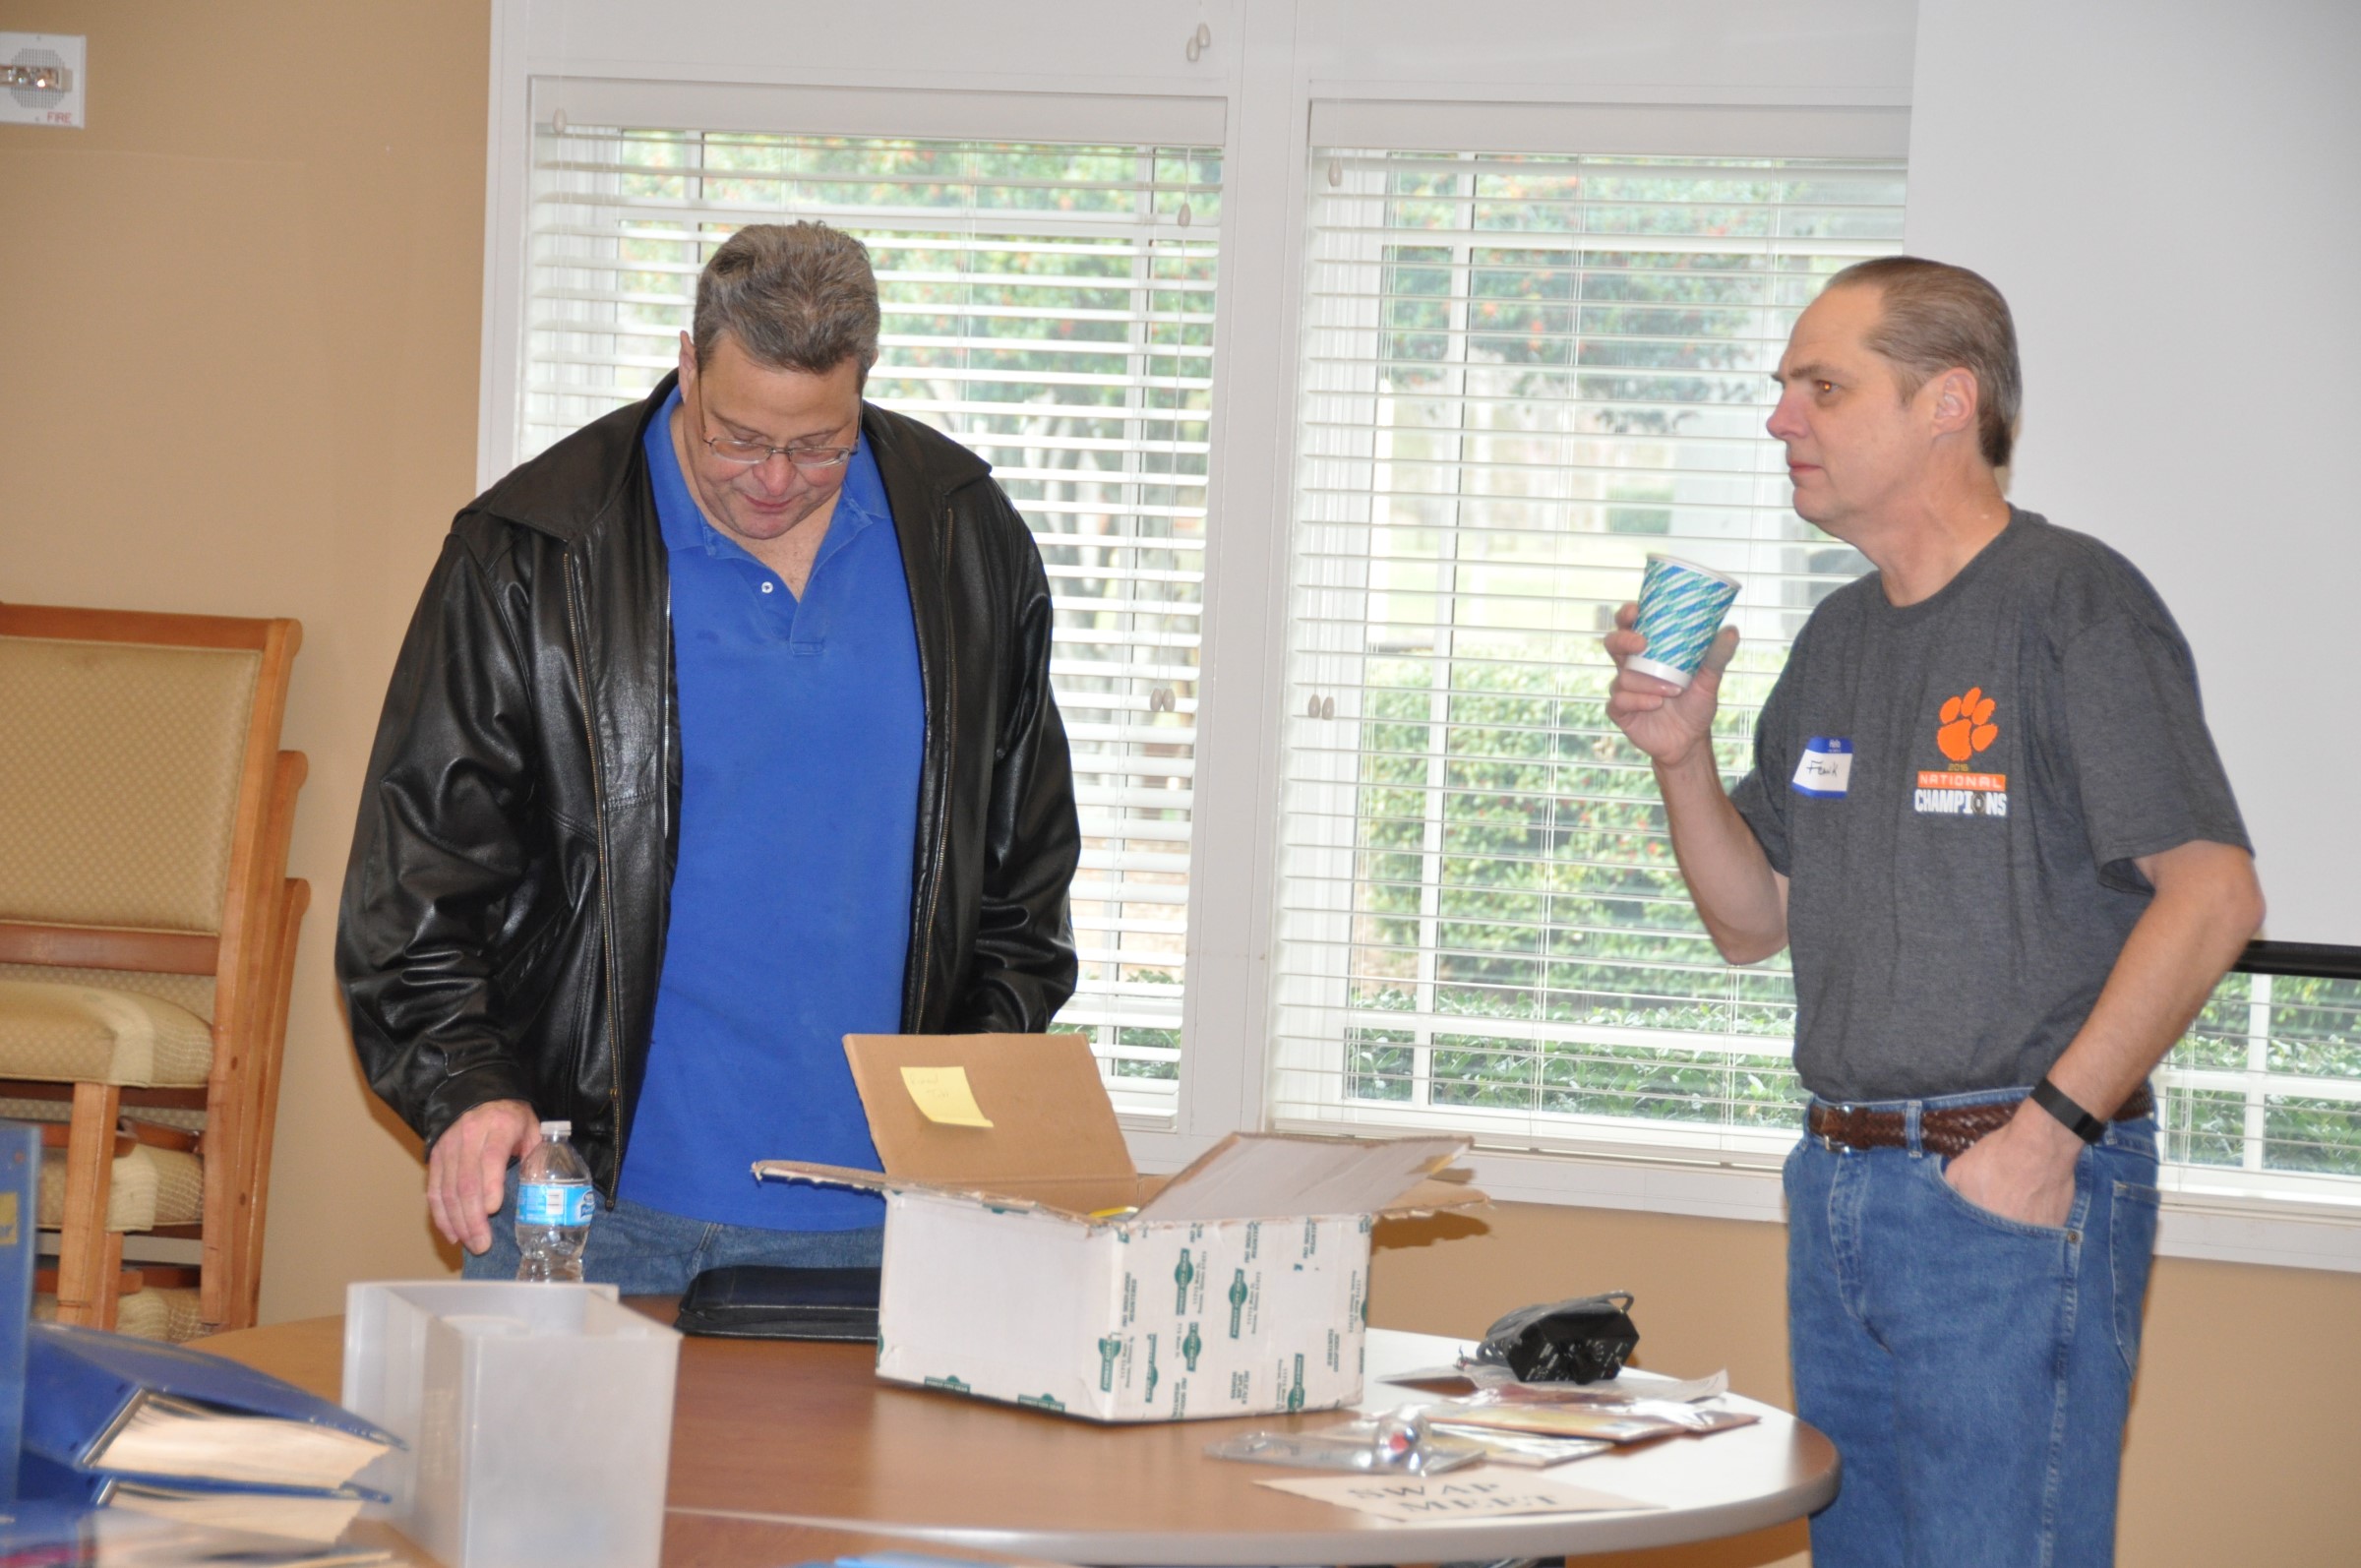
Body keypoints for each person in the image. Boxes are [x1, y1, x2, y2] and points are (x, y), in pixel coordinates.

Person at [1604, 257, 2263, 1566]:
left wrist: (2042, 1140)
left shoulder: (2073, 601)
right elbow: (1751, 921)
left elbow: (2214, 892)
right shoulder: (1840, 637)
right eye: (1784, 388)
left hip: (2004, 1185)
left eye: (1823, 387)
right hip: (1840, 1186)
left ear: (1947, 402)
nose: (1782, 418)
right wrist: (1682, 757)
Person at [338, 221, 1080, 1291]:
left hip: (890, 1221)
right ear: (689, 363)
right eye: (738, 437)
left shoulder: (965, 536)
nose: (774, 479)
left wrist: (962, 1107)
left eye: (819, 445)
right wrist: (466, 1084)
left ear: (864, 384)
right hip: (588, 1211)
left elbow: (1025, 876)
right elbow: (412, 883)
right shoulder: (538, 550)